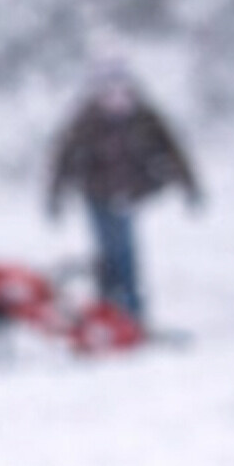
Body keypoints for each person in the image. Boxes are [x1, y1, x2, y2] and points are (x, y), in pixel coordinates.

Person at [46, 61, 201, 328]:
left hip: (128, 195)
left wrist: (189, 185)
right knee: (108, 253)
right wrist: (55, 195)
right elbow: (65, 157)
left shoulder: (144, 117)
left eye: (120, 90)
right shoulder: (87, 119)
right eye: (109, 91)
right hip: (97, 195)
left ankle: (130, 313)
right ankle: (110, 309)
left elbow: (172, 150)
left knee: (124, 253)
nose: (115, 98)